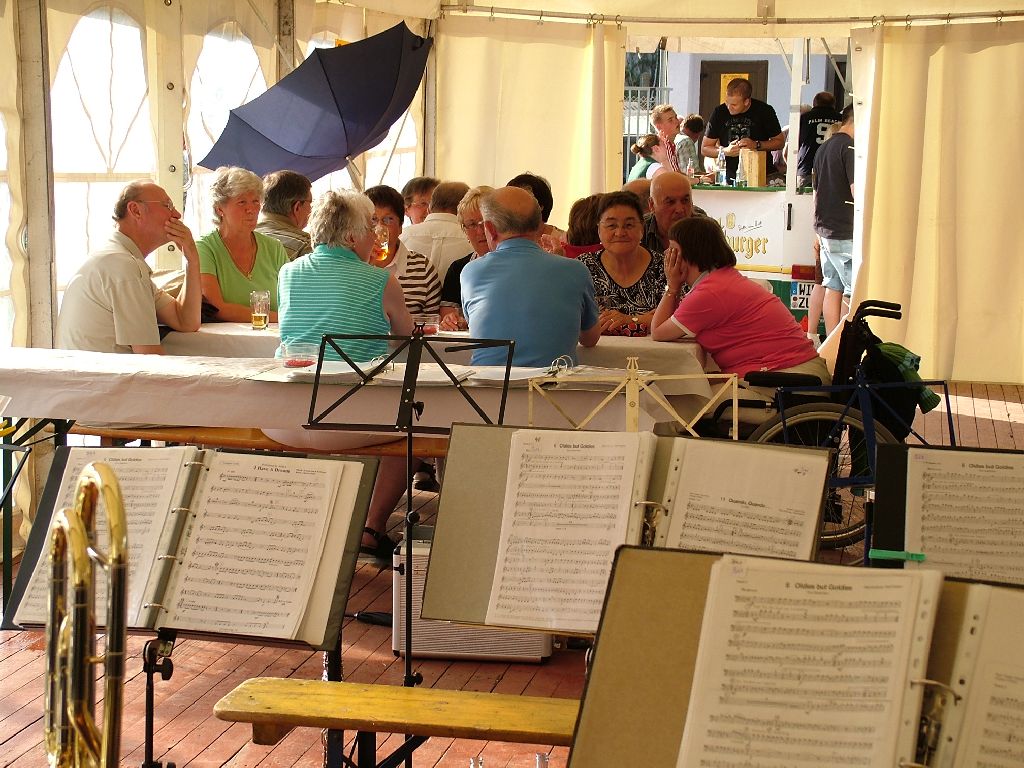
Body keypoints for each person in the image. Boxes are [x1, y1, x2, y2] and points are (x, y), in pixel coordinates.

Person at [268, 190, 414, 560]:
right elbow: (407, 339)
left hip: (285, 418)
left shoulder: (288, 273)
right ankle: (371, 527)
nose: (376, 236)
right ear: (351, 237)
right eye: (371, 228)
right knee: (419, 430)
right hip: (349, 417)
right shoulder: (382, 281)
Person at [651, 216, 828, 384]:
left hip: (788, 378)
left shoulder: (709, 293)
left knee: (685, 397)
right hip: (790, 372)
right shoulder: (720, 280)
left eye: (673, 250)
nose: (666, 254)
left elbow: (658, 332)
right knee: (693, 386)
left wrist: (672, 286)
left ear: (691, 254)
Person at [461, 186, 600, 366]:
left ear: (490, 228)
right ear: (538, 224)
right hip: (552, 382)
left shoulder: (471, 272)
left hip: (488, 382)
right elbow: (590, 339)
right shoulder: (575, 270)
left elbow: (478, 327)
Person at [56, 180, 202, 353]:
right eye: (168, 205)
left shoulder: (120, 259)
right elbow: (149, 357)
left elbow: (186, 321)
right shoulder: (123, 266)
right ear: (136, 210)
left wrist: (192, 260)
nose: (177, 215)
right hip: (104, 371)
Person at [197, 166, 289, 322]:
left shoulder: (274, 248)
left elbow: (291, 301)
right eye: (242, 202)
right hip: (224, 337)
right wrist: (280, 318)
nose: (251, 209)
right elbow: (215, 308)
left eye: (255, 201)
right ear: (219, 209)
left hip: (274, 335)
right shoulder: (204, 248)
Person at [578, 192, 666, 336]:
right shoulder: (582, 268)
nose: (620, 233)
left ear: (642, 228)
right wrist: (646, 318)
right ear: (599, 230)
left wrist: (630, 319)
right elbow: (568, 316)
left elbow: (680, 317)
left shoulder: (664, 268)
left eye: (629, 225)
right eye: (611, 225)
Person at [366, 185, 442, 315]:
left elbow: (432, 321)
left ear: (401, 227)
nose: (379, 228)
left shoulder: (423, 269)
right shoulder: (350, 266)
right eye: (373, 220)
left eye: (388, 220)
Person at [813, 103, 856, 331]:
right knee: (851, 291)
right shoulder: (850, 147)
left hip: (824, 229)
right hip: (845, 229)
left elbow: (815, 193)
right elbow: (856, 190)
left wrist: (816, 231)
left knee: (832, 287)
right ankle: (845, 343)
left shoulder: (823, 148)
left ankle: (832, 343)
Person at [702, 78, 785, 184]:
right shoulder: (719, 112)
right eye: (727, 102)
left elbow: (780, 142)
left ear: (746, 101)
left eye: (734, 105)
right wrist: (725, 151)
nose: (729, 107)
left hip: (762, 176)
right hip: (730, 178)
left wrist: (756, 144)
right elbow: (705, 148)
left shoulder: (764, 111)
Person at [439, 185, 493, 331]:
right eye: (472, 224)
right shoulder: (458, 269)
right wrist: (452, 321)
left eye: (485, 222)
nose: (480, 231)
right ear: (464, 230)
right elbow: (448, 316)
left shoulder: (515, 266)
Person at [398, 180, 472, 284]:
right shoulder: (472, 240)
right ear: (466, 210)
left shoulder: (402, 237)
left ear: (429, 209)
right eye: (422, 203)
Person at [254, 170, 313, 261]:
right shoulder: (305, 246)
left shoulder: (244, 236)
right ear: (297, 207)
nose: (312, 208)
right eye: (310, 202)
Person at [641, 171, 704, 254]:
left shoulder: (705, 230)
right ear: (652, 205)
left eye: (685, 200)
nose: (679, 210)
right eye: (670, 202)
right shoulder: (639, 230)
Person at [507, 172, 567, 245]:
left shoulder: (562, 241)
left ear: (540, 206)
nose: (512, 206)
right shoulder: (503, 238)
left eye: (520, 200)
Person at [798, 92, 842, 188]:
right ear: (833, 104)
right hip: (833, 168)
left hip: (807, 166)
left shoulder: (804, 118)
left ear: (814, 103)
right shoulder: (841, 119)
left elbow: (795, 143)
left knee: (804, 195)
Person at [649, 104, 682, 173]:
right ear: (659, 127)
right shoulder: (661, 146)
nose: (677, 122)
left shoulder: (671, 143)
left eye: (676, 117)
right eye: (670, 120)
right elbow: (672, 174)